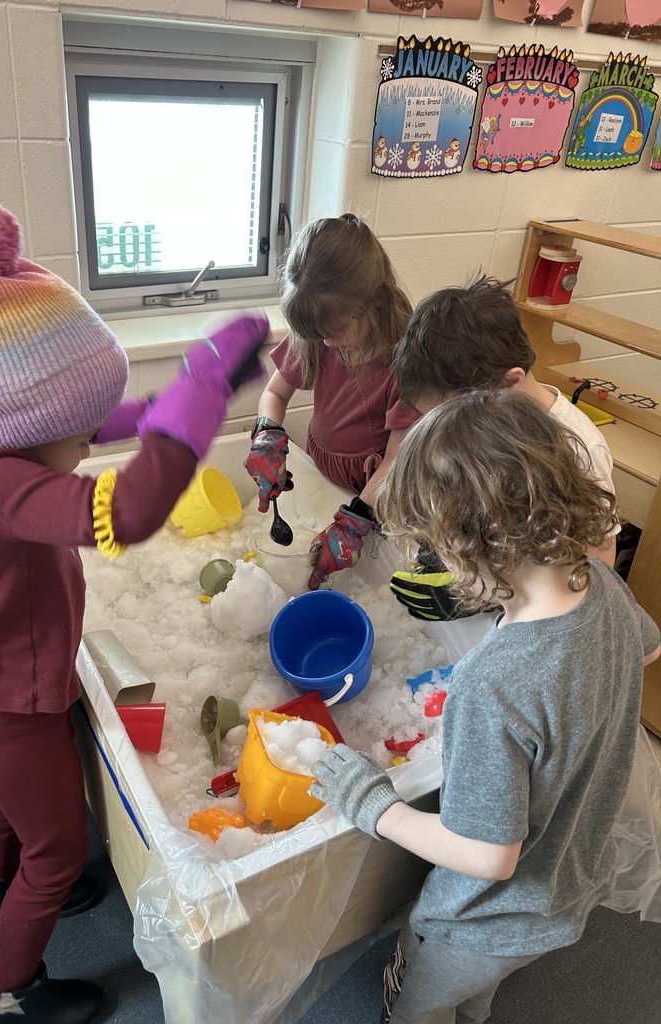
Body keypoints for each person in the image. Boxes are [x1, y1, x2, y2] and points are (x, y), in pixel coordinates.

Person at [0, 191, 268, 1024]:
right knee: (60, 846)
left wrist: (172, 400)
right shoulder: (2, 486)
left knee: (11, 800)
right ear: (32, 419)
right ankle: (9, 993)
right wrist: (199, 399)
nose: (86, 446)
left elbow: (88, 424)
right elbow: (128, 514)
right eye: (75, 435)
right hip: (10, 704)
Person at [309, 389, 660, 1024]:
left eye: (433, 548)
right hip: (568, 886)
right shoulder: (602, 583)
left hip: (475, 920)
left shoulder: (494, 682)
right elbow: (647, 651)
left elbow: (488, 855)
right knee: (475, 1001)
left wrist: (374, 806)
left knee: (420, 1005)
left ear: (469, 546)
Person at [389, 274, 619, 621]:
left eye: (449, 414)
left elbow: (599, 561)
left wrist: (495, 596)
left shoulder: (577, 447)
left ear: (508, 384)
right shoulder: (493, 427)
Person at [243, 213, 418, 591]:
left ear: (371, 304)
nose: (324, 344)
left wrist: (360, 516)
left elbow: (397, 456)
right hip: (324, 468)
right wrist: (267, 433)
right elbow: (274, 393)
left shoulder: (405, 361)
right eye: (316, 335)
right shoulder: (318, 333)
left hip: (377, 489)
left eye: (332, 333)